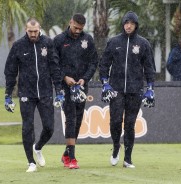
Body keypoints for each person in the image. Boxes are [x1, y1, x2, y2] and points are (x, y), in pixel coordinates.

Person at [4, 18, 64, 173]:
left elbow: (55, 68)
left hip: (45, 92)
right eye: (30, 31)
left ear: (39, 29)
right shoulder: (18, 45)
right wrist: (8, 95)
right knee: (27, 128)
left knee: (49, 127)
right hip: (26, 93)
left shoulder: (48, 43)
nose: (32, 34)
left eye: (35, 31)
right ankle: (31, 162)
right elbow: (10, 71)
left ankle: (38, 147)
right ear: (26, 29)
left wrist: (59, 91)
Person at [99, 11, 156, 168]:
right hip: (116, 89)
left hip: (135, 89)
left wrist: (150, 87)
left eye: (131, 23)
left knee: (130, 124)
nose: (128, 25)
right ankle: (116, 146)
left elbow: (149, 67)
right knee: (116, 121)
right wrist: (105, 83)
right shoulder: (114, 41)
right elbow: (104, 64)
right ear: (123, 24)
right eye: (126, 23)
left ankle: (128, 158)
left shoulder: (143, 44)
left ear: (136, 25)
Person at [53, 13, 98, 169]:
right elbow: (54, 64)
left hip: (81, 86)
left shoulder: (88, 40)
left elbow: (94, 62)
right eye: (75, 27)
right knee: (70, 117)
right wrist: (64, 77)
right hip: (65, 86)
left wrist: (85, 78)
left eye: (81, 28)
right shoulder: (59, 40)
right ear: (70, 22)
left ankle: (66, 153)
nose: (78, 31)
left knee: (78, 119)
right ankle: (71, 157)